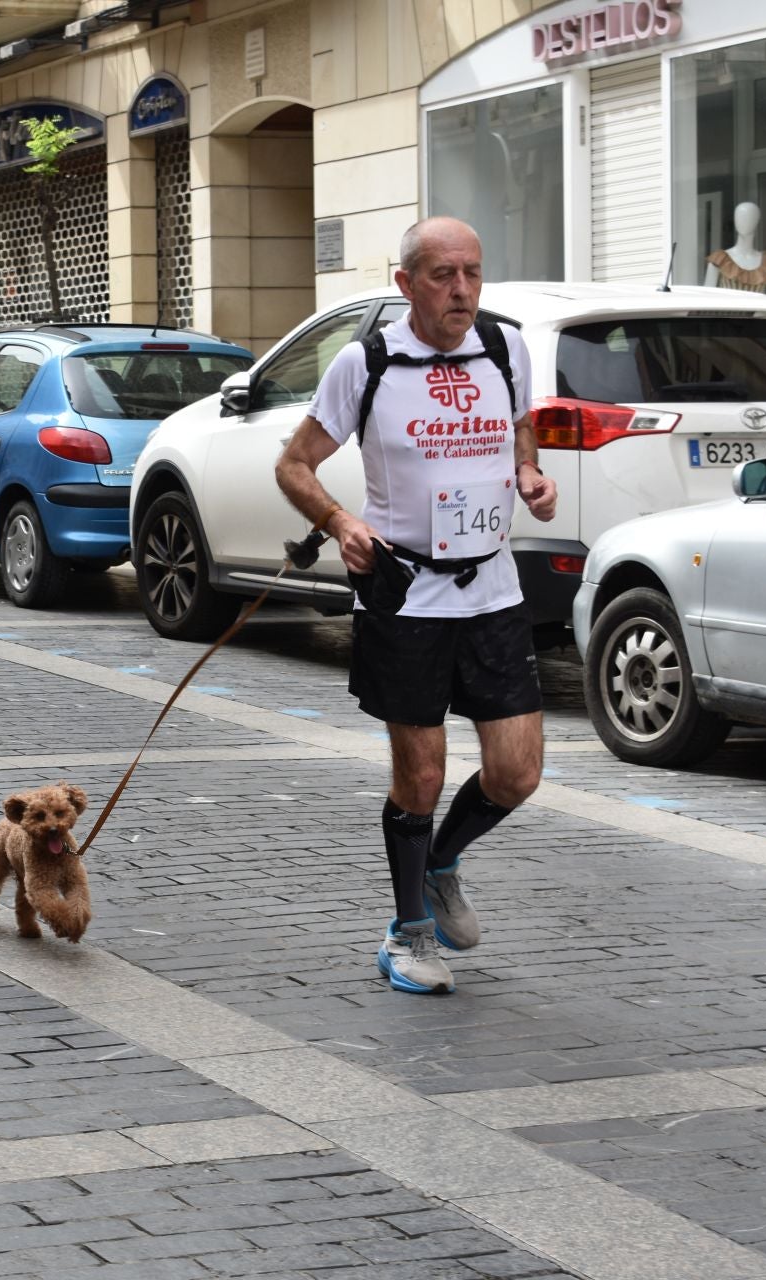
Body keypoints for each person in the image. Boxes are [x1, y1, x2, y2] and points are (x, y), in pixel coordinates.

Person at [274, 216, 558, 995]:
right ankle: (408, 933)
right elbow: (295, 465)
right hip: (405, 593)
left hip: (492, 587)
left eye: (472, 271)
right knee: (422, 777)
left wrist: (528, 474)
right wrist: (340, 522)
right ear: (406, 284)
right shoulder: (366, 363)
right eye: (442, 274)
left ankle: (439, 863)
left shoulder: (506, 348)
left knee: (517, 772)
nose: (461, 288)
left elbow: (519, 425)